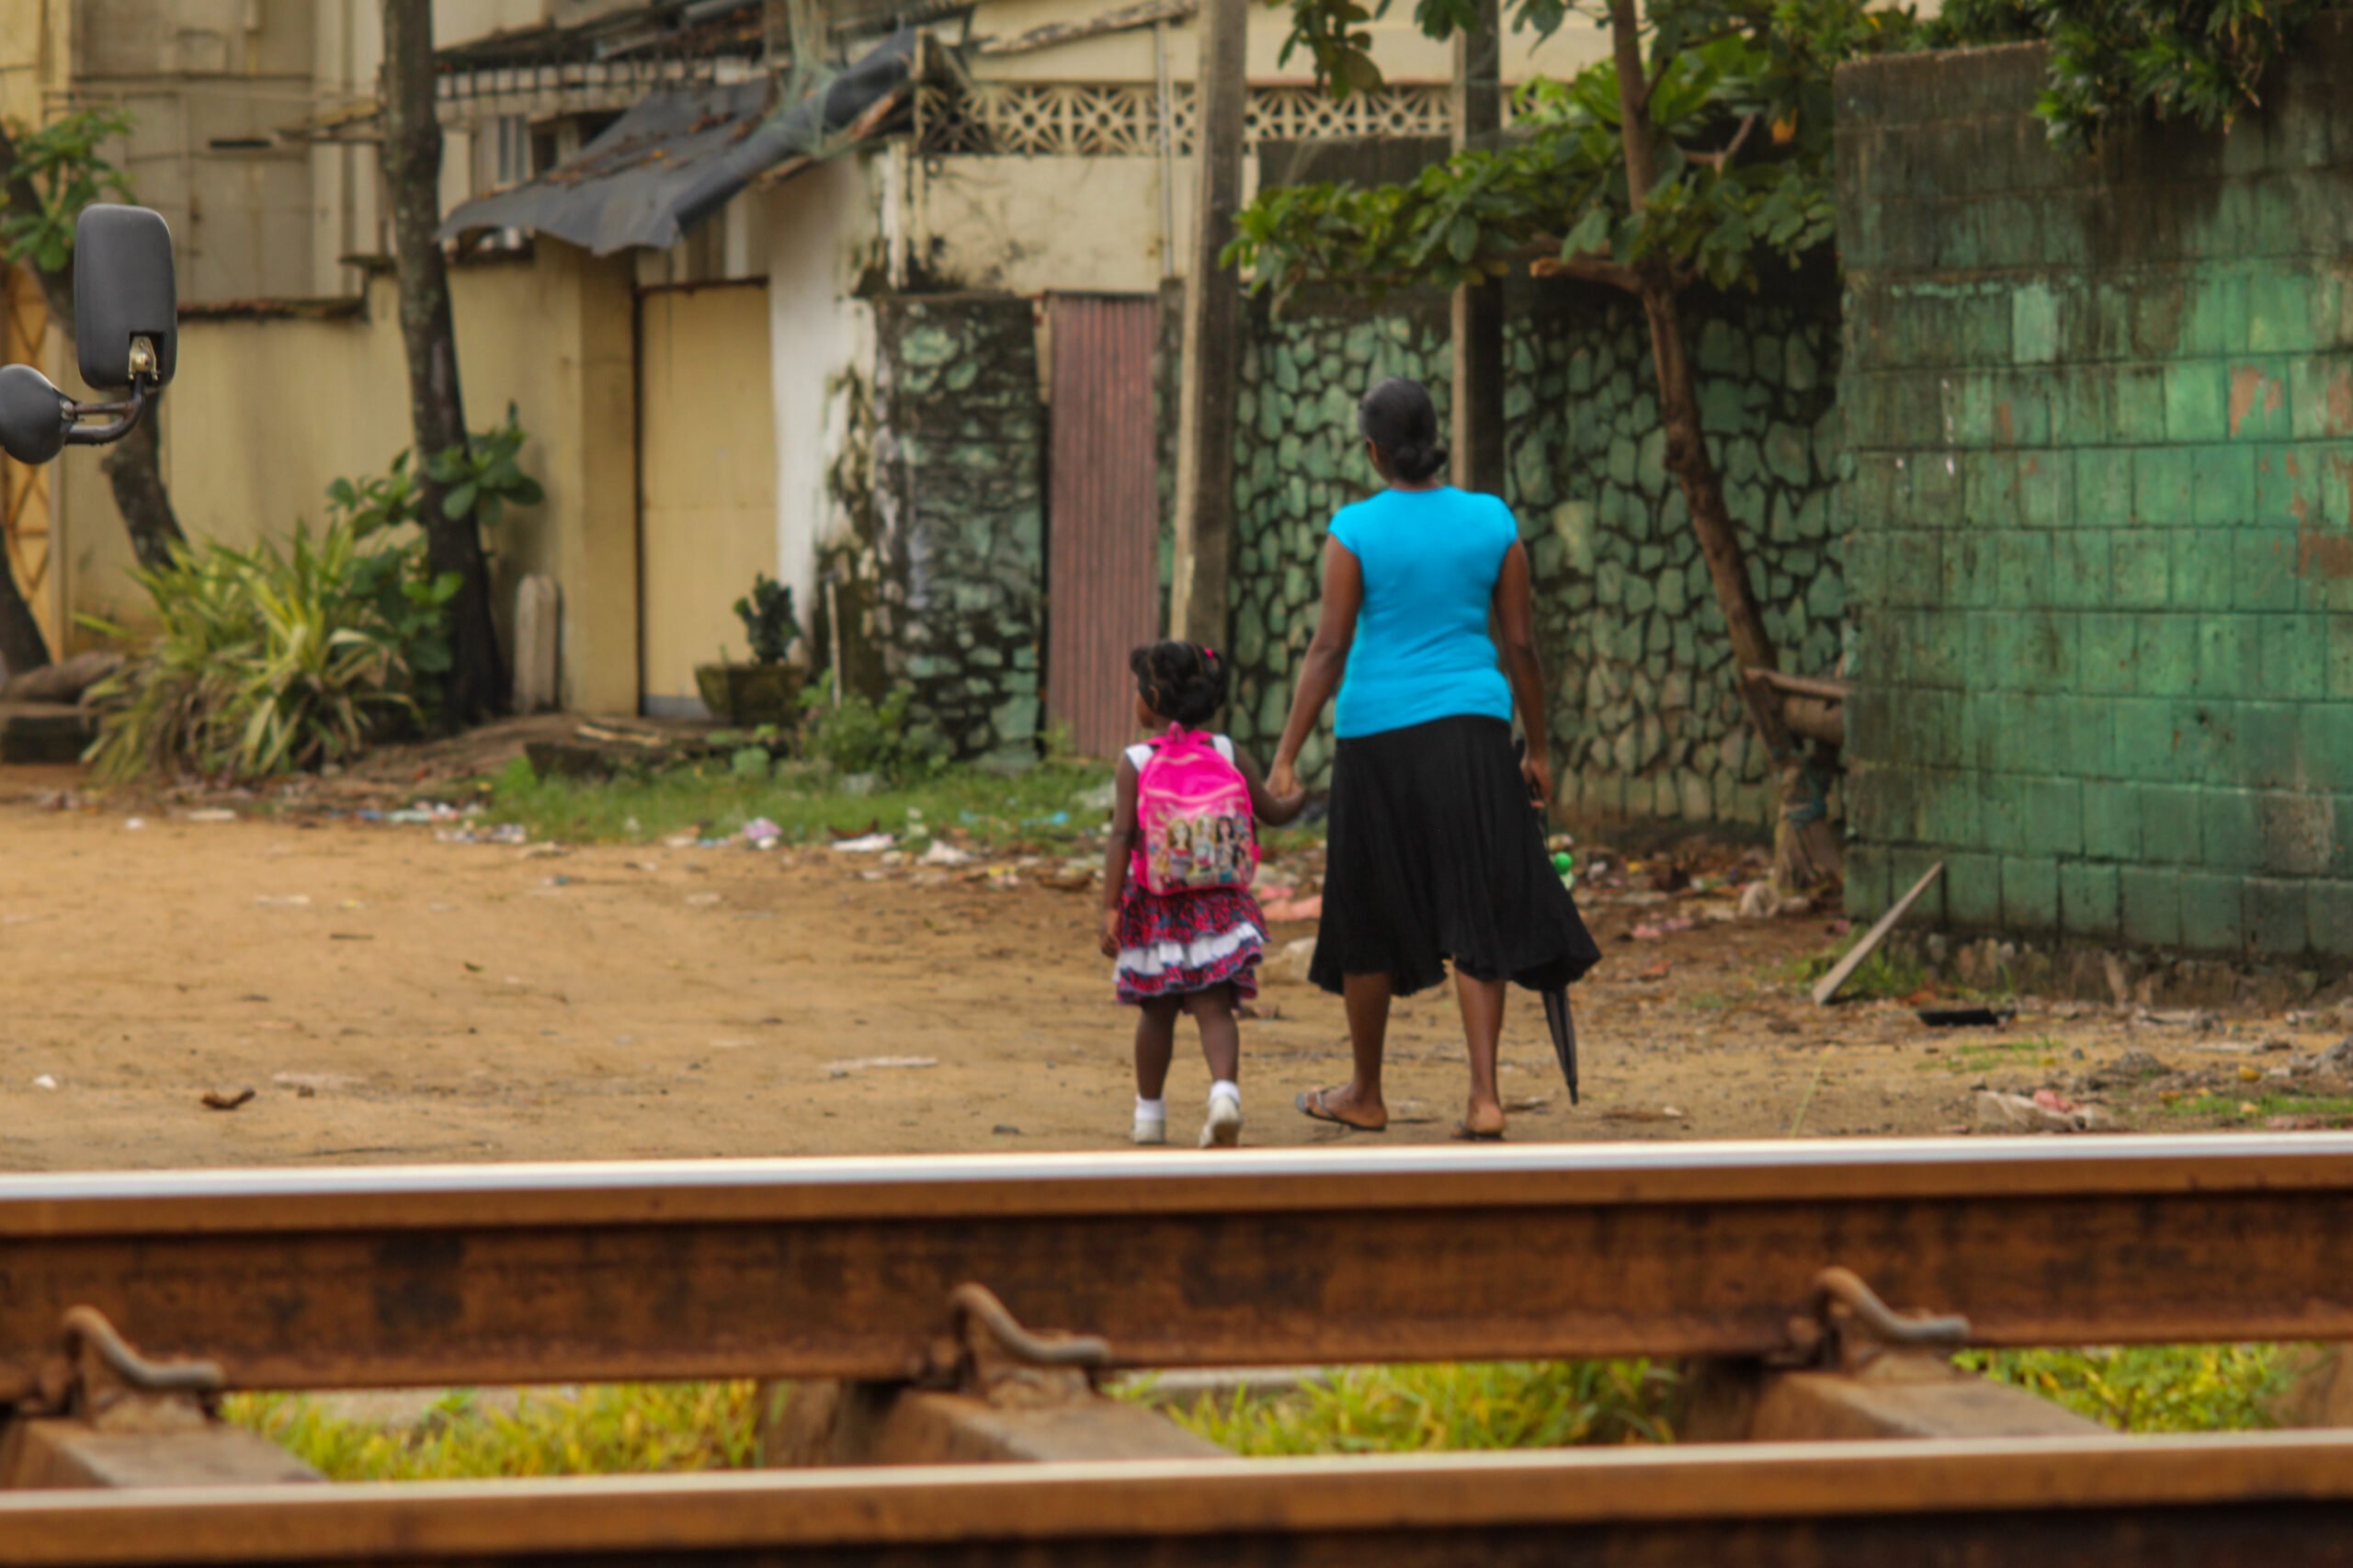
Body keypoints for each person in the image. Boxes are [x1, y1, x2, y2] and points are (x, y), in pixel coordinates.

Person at [1266, 377, 1600, 1142]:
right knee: (1476, 899)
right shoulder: (1492, 520)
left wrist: (1286, 757)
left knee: (1367, 907)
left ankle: (1366, 1093)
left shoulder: (1354, 529)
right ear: (1432, 438)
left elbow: (1329, 649)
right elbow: (1521, 645)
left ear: (1374, 450)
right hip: (1473, 734)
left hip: (1377, 737)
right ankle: (1485, 1097)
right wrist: (1538, 748)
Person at [1102, 642, 1305, 1147]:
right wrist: (1298, 798)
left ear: (1152, 698)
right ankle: (1224, 1095)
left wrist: (1109, 907)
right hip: (1217, 905)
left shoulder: (1136, 761)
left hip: (1156, 907)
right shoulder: (1226, 752)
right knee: (1215, 1008)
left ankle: (1149, 1116)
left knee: (1156, 1012)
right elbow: (1271, 813)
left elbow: (1122, 837)